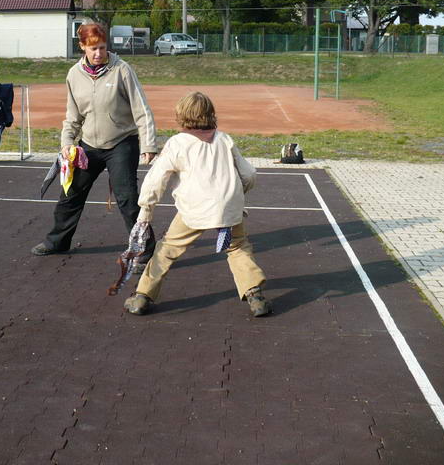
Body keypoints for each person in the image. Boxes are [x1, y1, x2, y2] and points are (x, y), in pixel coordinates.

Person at [123, 92, 271, 317]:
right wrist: (236, 196)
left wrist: (146, 211)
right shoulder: (224, 139)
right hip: (229, 208)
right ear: (211, 114)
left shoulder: (177, 143)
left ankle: (142, 296)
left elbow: (155, 180)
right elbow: (249, 174)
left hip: (193, 209)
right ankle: (255, 295)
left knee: (167, 250)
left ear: (181, 115)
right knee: (238, 248)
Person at [31, 22, 157, 263]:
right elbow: (73, 116)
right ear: (82, 47)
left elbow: (142, 109)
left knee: (127, 199)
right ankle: (57, 241)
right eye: (93, 49)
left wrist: (149, 144)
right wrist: (67, 142)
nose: (99, 54)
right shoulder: (74, 75)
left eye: (102, 47)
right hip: (88, 145)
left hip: (121, 142)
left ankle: (145, 248)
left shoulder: (122, 70)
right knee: (70, 194)